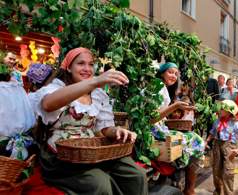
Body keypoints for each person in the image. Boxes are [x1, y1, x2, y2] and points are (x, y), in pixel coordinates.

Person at [28, 47, 147, 195]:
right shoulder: (57, 88)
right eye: (81, 63)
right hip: (60, 155)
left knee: (136, 175)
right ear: (69, 67)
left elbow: (104, 128)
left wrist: (116, 130)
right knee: (99, 183)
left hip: (92, 150)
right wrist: (96, 80)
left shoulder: (97, 94)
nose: (87, 68)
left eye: (91, 64)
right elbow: (48, 104)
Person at [154, 62, 205, 195]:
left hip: (159, 127)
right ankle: (189, 189)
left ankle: (187, 186)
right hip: (153, 130)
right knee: (197, 140)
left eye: (176, 74)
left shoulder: (163, 88)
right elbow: (153, 118)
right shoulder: (157, 86)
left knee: (192, 138)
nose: (174, 76)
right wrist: (176, 106)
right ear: (161, 73)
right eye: (170, 72)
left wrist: (177, 108)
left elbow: (161, 114)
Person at [206, 100, 238, 195]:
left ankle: (228, 192)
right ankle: (217, 191)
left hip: (229, 148)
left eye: (222, 109)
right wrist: (206, 141)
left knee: (228, 172)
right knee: (216, 170)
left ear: (228, 112)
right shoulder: (217, 121)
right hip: (217, 146)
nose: (219, 110)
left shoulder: (236, 124)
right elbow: (212, 132)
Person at [0, 63, 36, 160]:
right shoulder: (18, 88)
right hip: (25, 143)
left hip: (4, 147)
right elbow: (30, 118)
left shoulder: (9, 88)